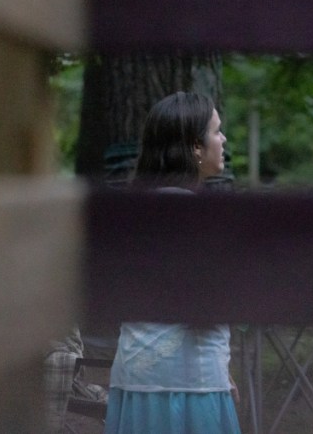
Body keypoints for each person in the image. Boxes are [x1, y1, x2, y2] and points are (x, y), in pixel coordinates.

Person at [104, 91, 240, 434]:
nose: (223, 139)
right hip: (189, 384)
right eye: (216, 131)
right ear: (196, 147)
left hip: (137, 378)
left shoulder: (134, 211)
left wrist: (224, 368)